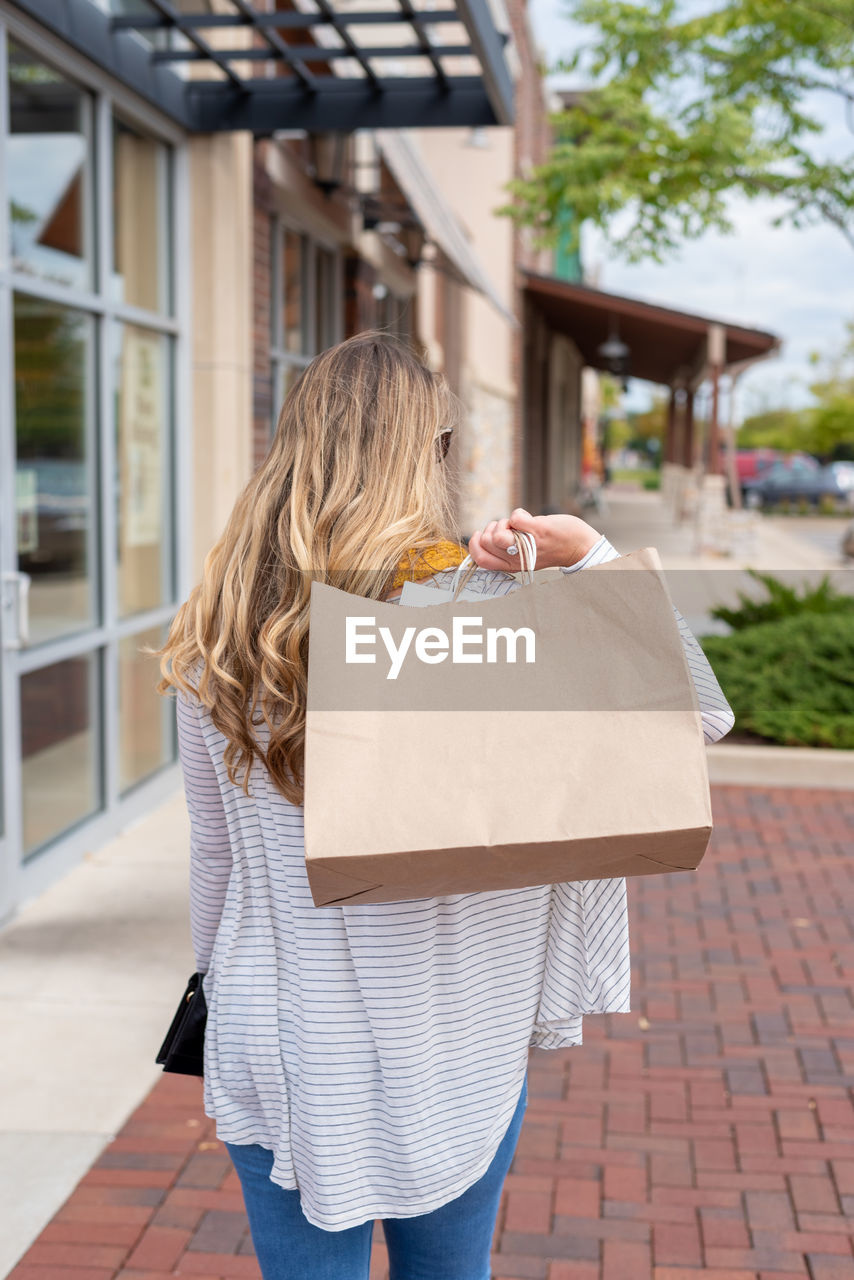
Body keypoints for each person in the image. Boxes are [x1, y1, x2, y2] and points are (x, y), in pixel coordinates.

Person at [158, 332, 733, 1280]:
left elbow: (214, 857)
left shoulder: (224, 624)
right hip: (460, 1039)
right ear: (427, 453)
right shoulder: (478, 619)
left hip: (286, 1037)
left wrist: (220, 989)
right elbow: (694, 716)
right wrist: (589, 562)